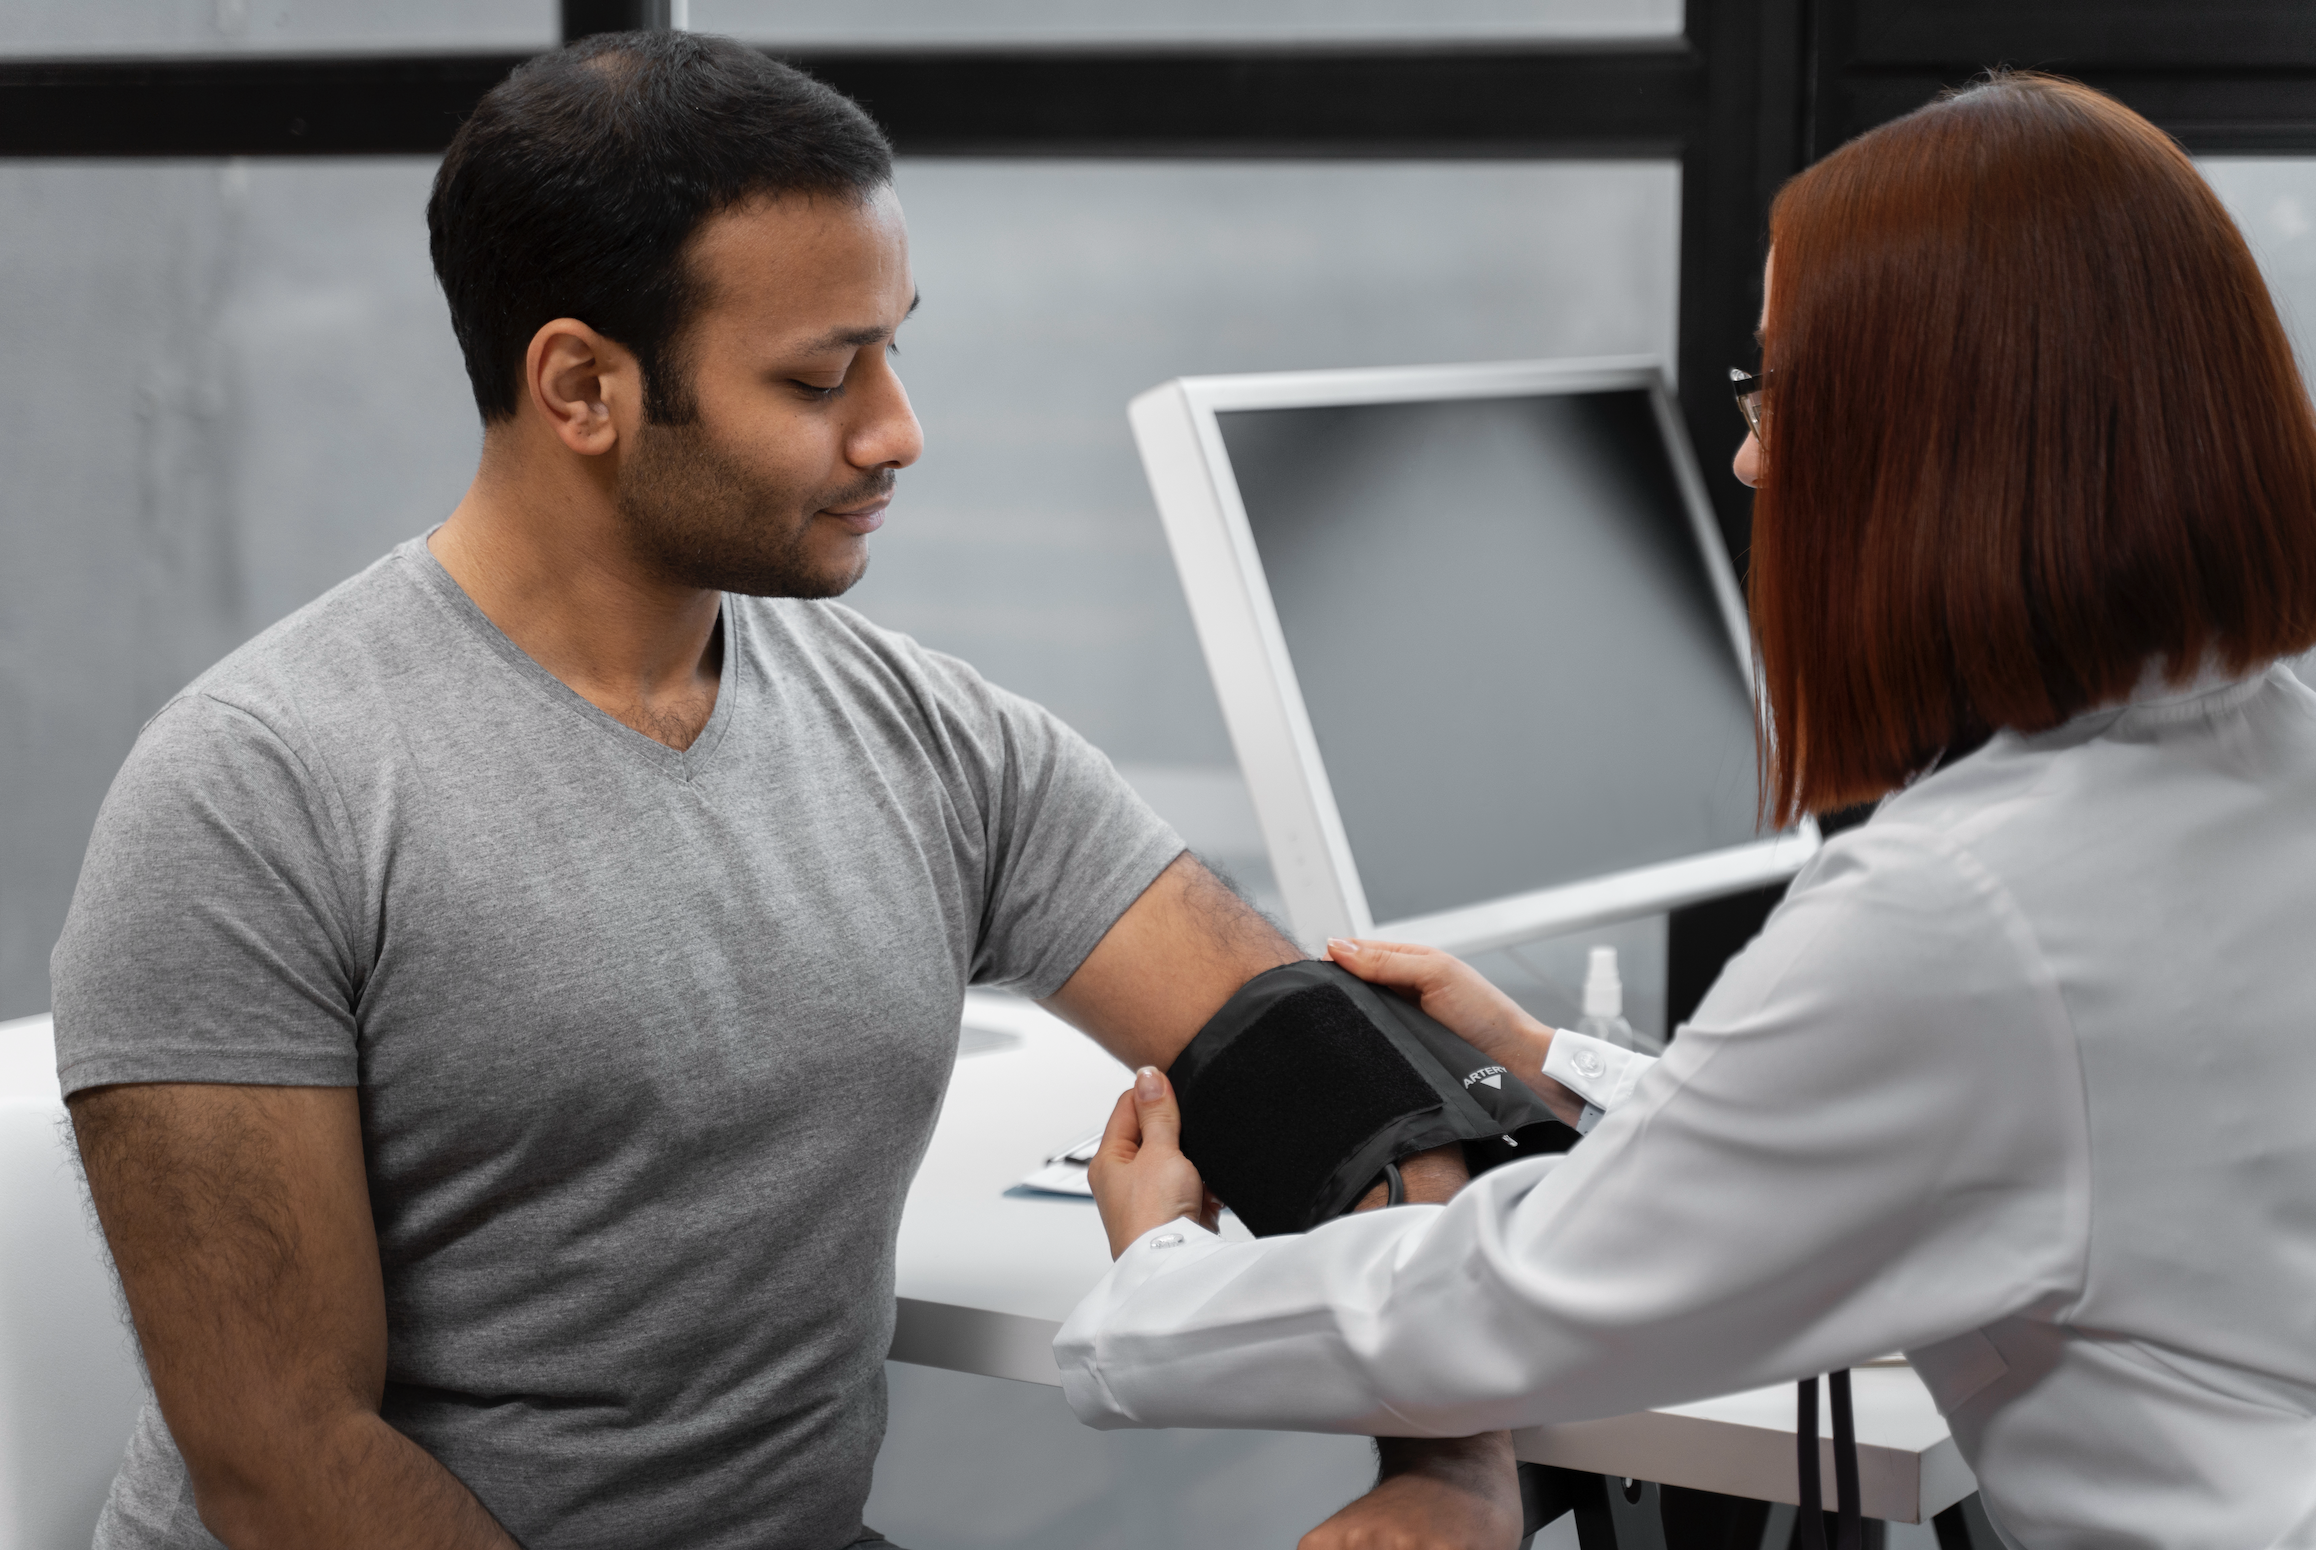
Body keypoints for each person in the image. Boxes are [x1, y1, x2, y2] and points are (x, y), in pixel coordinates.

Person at [49, 31, 1500, 1550]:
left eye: (892, 347)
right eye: (821, 376)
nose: (896, 430)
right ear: (582, 387)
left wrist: (1451, 1467)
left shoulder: (935, 741)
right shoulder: (254, 795)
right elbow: (282, 1461)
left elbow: (1334, 1087)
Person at [1066, 71, 2316, 1549]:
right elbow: (2015, 1131)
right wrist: (1556, 1061)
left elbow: (1521, 1300)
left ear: (1933, 442)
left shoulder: (1968, 909)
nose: (1749, 455)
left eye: (1778, 390)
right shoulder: (2268, 738)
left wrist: (1152, 1287)